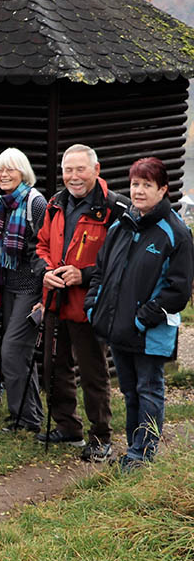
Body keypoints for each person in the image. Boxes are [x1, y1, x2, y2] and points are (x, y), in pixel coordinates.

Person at [86, 157, 193, 471]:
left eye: (147, 185)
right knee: (130, 390)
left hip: (150, 330)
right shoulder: (122, 225)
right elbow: (101, 272)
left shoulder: (176, 233)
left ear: (162, 190)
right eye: (135, 184)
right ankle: (135, 449)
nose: (139, 190)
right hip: (118, 328)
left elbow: (178, 290)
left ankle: (143, 455)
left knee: (148, 389)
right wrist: (94, 306)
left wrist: (142, 318)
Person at [35, 144, 128, 462]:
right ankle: (67, 426)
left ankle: (101, 437)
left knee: (93, 373)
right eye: (67, 169)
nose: (73, 176)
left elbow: (122, 262)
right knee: (53, 367)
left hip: (91, 305)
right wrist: (46, 272)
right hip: (55, 299)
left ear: (96, 169)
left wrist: (84, 275)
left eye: (80, 169)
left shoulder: (115, 209)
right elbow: (42, 246)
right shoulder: (54, 204)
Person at [0, 147, 47, 433]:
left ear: (23, 172)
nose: (3, 174)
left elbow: (45, 247)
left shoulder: (34, 203)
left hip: (30, 289)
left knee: (12, 353)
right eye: (0, 169)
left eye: (10, 169)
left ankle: (23, 418)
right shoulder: (4, 202)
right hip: (10, 287)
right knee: (21, 355)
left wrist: (42, 296)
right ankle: (29, 415)